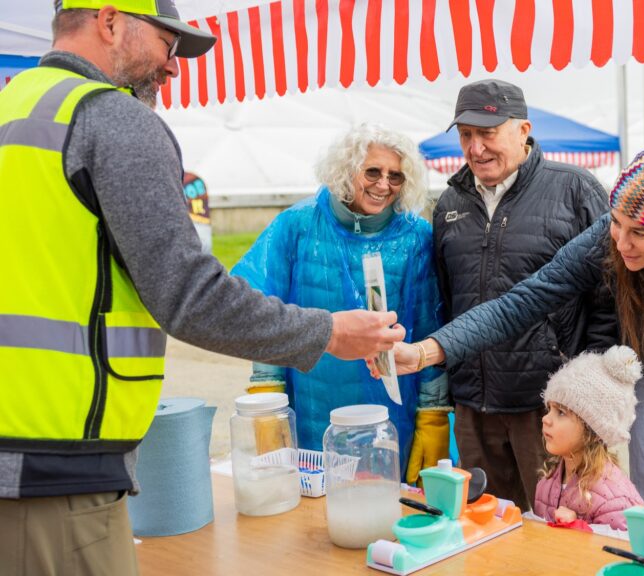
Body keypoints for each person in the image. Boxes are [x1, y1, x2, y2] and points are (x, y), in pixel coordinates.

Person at [0, 3, 403, 575]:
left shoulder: (13, 107)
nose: (174, 68)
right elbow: (192, 295)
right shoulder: (110, 119)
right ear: (111, 22)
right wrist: (330, 331)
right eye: (168, 44)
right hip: (57, 468)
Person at [389, 143, 644, 515]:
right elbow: (522, 302)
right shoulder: (606, 240)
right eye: (617, 224)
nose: (621, 243)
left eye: (638, 232)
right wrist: (426, 351)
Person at [431, 78, 615, 508]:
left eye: (487, 133)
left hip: (549, 406)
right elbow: (447, 297)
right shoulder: (449, 204)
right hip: (474, 405)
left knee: (560, 525)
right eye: (466, 135)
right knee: (487, 524)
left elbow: (609, 298)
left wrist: (587, 390)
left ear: (523, 130)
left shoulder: (575, 190)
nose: (476, 148)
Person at [232, 125, 449, 482]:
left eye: (396, 176)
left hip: (393, 411)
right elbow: (265, 309)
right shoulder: (296, 226)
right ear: (347, 169)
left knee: (382, 503)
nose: (384, 185)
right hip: (313, 404)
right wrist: (267, 396)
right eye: (373, 172)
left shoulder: (416, 237)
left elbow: (430, 324)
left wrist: (434, 410)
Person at [534, 346, 644, 531]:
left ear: (593, 431)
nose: (546, 419)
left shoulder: (614, 500)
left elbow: (622, 551)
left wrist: (578, 529)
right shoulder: (547, 484)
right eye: (549, 409)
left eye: (561, 412)